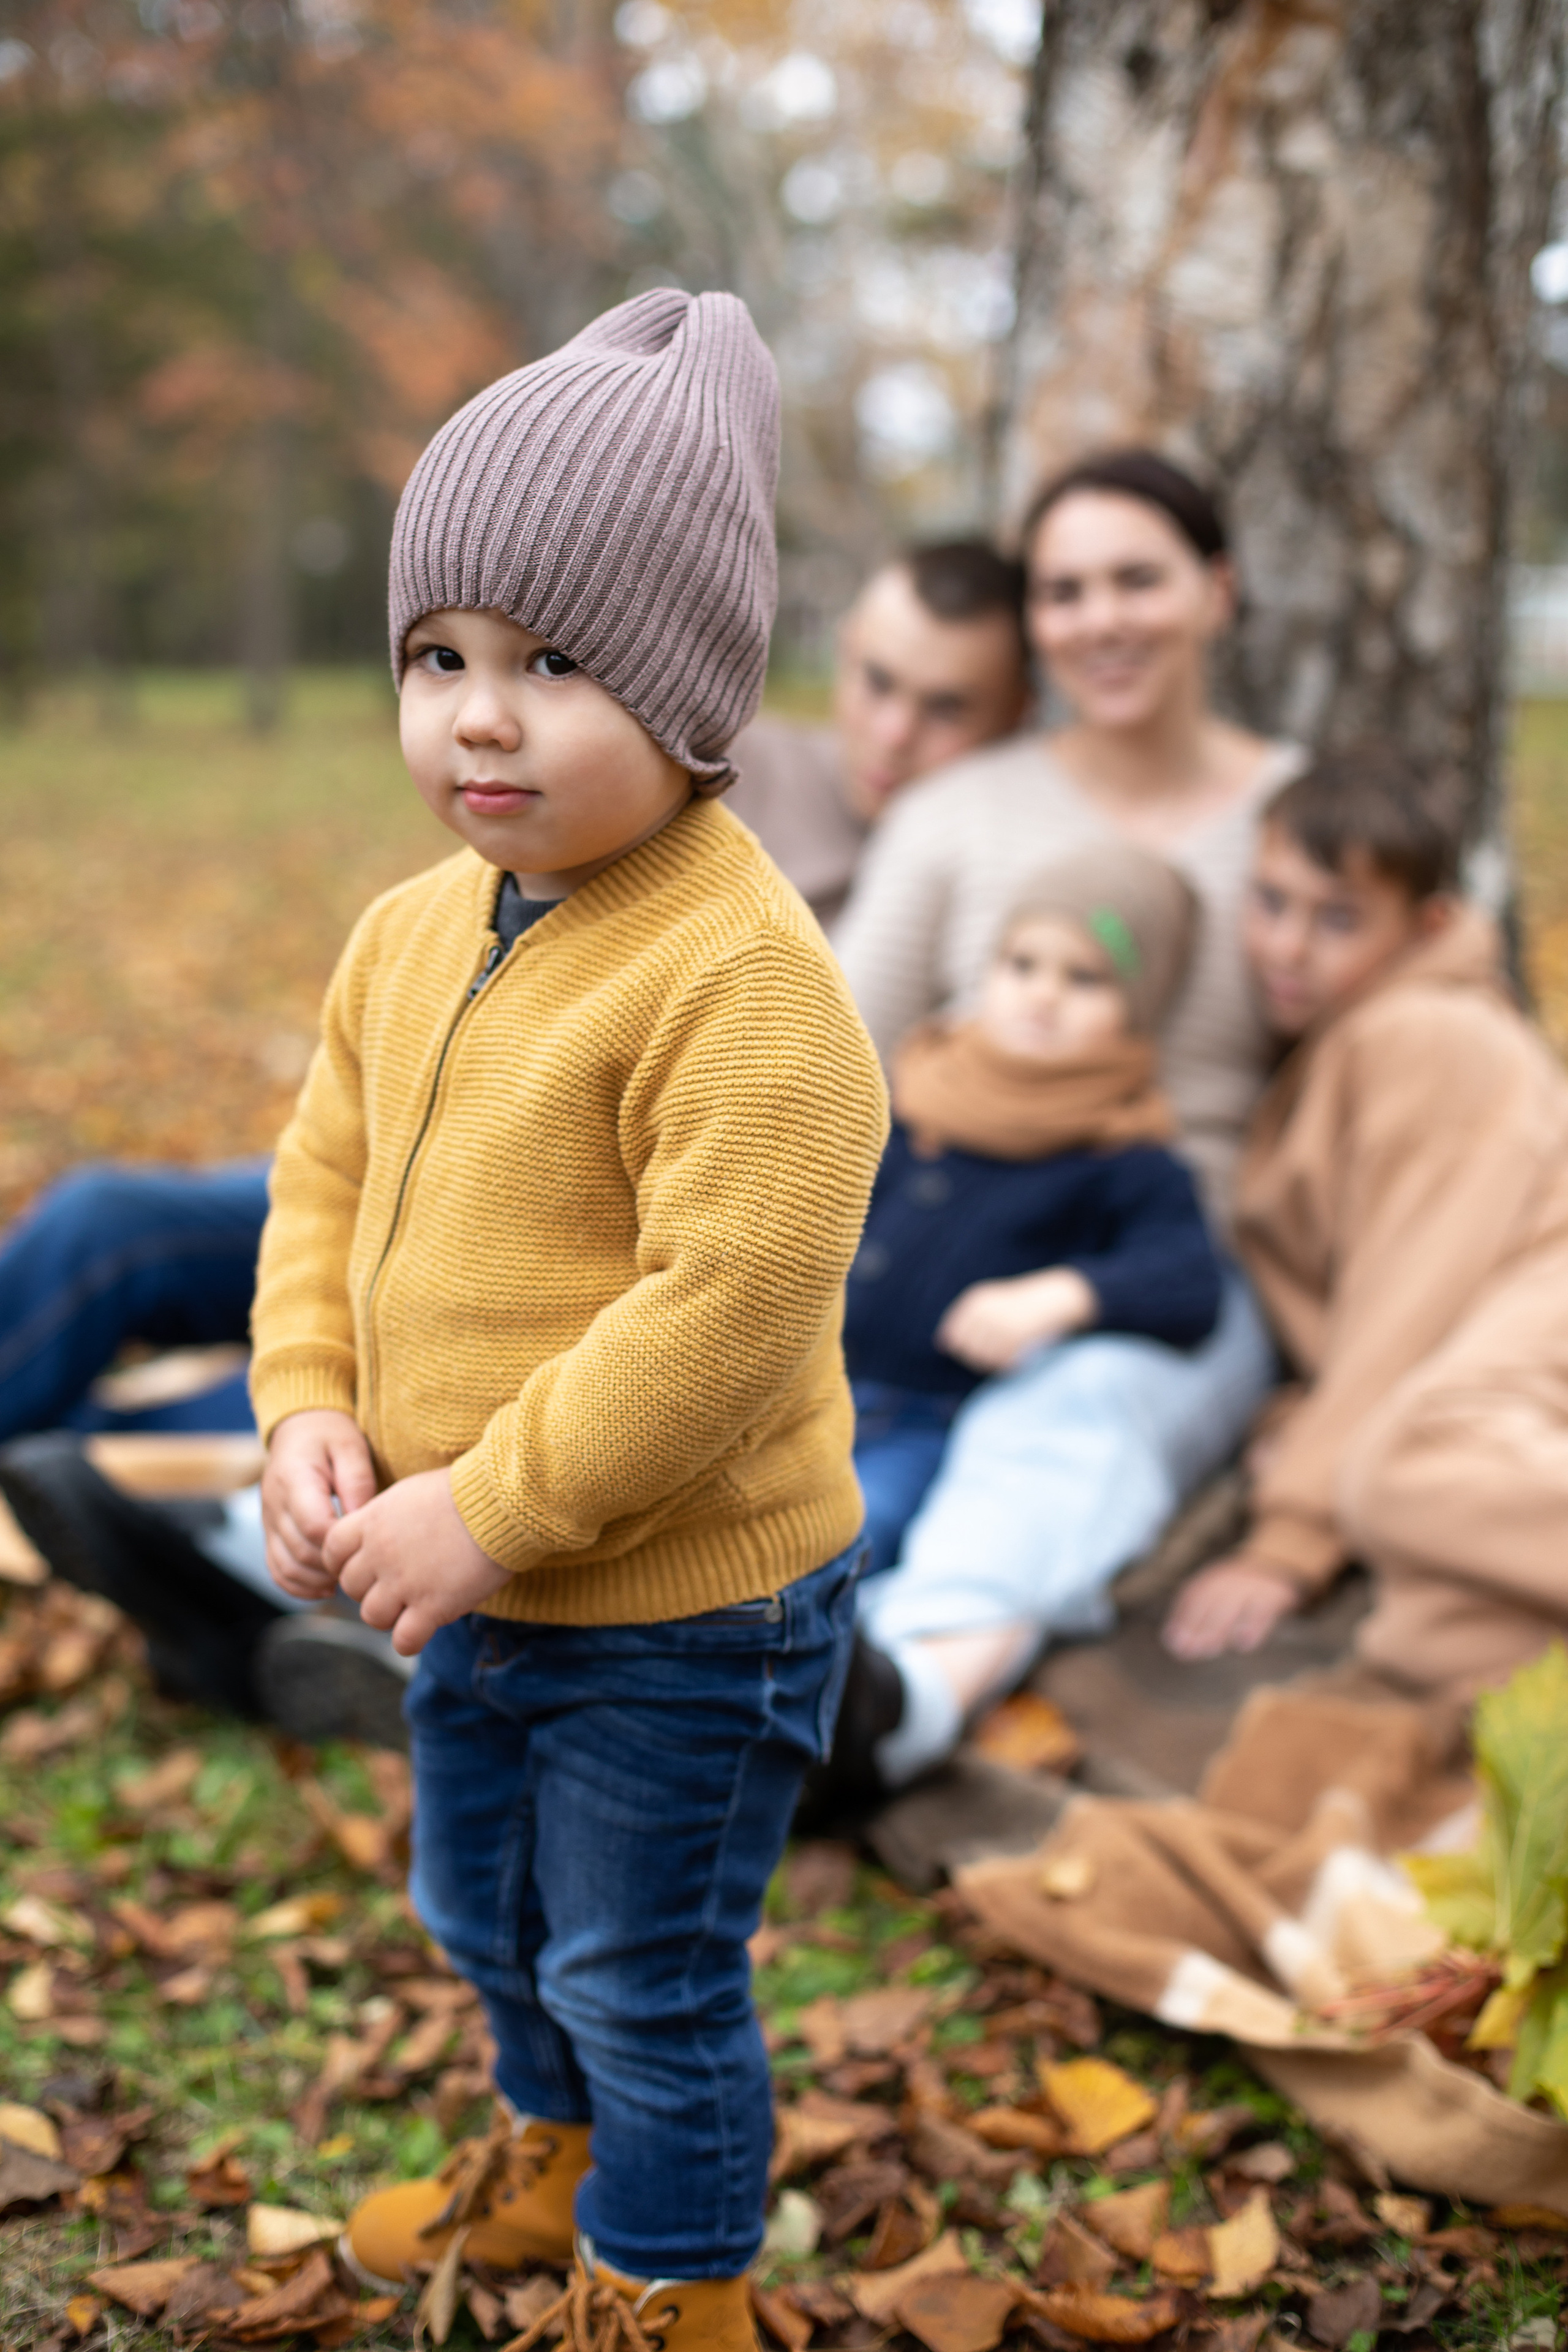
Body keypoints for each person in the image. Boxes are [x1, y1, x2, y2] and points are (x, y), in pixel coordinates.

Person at [249, 289, 886, 2334]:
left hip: (685, 1608)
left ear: (696, 700)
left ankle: (669, 2279)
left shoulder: (744, 978)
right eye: (439, 658)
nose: (478, 717)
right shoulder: (409, 932)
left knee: (645, 1963)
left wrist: (492, 1505)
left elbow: (730, 1315)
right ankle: (555, 2152)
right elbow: (326, 1182)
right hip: (477, 1573)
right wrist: (305, 1406)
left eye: (552, 663)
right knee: (489, 1913)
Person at [0, 538, 1027, 1730]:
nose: (891, 733)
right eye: (874, 681)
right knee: (115, 1226)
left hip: (689, 1220)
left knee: (424, 1409)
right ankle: (220, 1513)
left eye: (945, 708)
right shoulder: (709, 741)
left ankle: (206, 1519)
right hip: (478, 1139)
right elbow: (336, 1162)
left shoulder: (976, 868)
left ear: (1007, 725)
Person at [827, 449, 1297, 1767]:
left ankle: (894, 1699)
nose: (1100, 620)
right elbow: (829, 1053)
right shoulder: (957, 812)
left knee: (1072, 1418)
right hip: (936, 1221)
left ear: (1217, 590)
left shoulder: (1291, 820)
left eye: (1136, 580)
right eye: (1064, 591)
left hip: (1158, 1253)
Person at [1161, 746, 1568, 1705]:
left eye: (1338, 918)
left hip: (1535, 1328)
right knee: (1427, 1631)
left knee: (1399, 1472)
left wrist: (1292, 1535)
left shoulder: (1427, 1033)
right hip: (1487, 1361)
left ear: (1427, 924)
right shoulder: (1349, 1039)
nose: (1289, 947)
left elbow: (1412, 1290)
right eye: (1271, 902)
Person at [829, 843, 1223, 1803]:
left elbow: (1186, 1282)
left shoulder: (1121, 1154)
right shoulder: (919, 1092)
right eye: (1022, 966)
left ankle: (823, 1692)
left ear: (1139, 1008)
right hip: (816, 1386)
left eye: (1084, 979)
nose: (1041, 997)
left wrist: (1062, 1294)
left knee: (846, 1533)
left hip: (928, 1419)